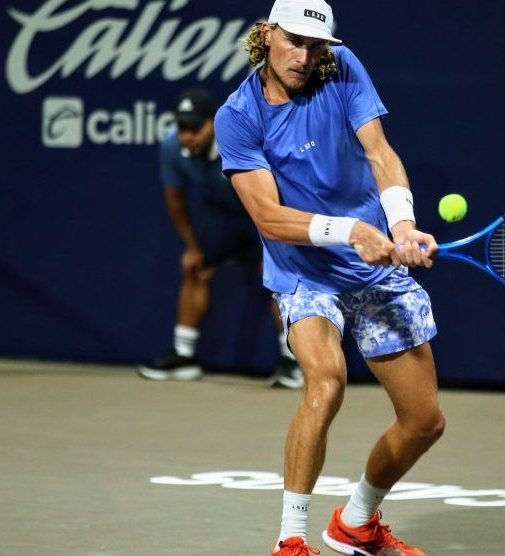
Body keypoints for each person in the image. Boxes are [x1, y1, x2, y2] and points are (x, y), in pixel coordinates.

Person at [214, 1, 446, 554]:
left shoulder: (342, 68)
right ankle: (290, 540)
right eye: (294, 41)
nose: (305, 56)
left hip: (370, 265)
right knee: (326, 380)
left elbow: (381, 153)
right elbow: (268, 217)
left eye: (316, 46)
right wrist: (349, 231)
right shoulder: (237, 115)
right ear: (266, 34)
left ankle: (356, 521)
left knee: (424, 422)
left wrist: (404, 225)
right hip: (302, 273)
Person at [139, 88, 304, 389]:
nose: (186, 136)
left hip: (267, 210)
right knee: (195, 268)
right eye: (181, 127)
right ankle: (183, 355)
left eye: (194, 128)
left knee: (279, 279)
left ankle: (293, 360)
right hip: (225, 215)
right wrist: (192, 247)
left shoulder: (242, 137)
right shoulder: (171, 148)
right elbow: (175, 200)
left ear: (213, 123)